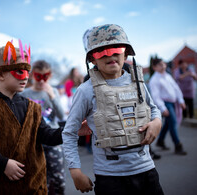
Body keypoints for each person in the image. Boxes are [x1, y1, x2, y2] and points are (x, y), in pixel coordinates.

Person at [0, 41, 89, 195]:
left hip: (34, 186)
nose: (25, 76)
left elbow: (47, 135)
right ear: (0, 74)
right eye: (19, 71)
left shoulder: (32, 107)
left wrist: (73, 130)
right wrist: (3, 164)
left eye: (27, 70)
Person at [62, 24, 164, 194]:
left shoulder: (138, 83)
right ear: (92, 59)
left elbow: (153, 109)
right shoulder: (86, 91)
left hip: (146, 170)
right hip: (110, 177)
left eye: (116, 48)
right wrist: (75, 171)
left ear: (126, 53)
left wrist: (157, 122)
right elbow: (69, 132)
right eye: (102, 51)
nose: (110, 55)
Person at [21, 60, 66, 195]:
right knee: (40, 180)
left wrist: (52, 95)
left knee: (59, 179)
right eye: (38, 76)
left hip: (53, 138)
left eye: (45, 76)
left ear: (49, 76)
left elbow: (61, 115)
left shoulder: (53, 92)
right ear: (32, 75)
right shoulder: (24, 94)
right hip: (34, 142)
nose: (41, 81)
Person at [149, 58, 187, 155]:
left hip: (173, 102)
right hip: (166, 104)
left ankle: (160, 141)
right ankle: (178, 145)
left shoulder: (167, 76)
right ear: (154, 67)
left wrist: (181, 100)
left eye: (163, 64)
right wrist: (163, 108)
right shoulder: (154, 80)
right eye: (160, 65)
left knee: (168, 123)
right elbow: (156, 96)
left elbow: (176, 88)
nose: (163, 66)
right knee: (173, 123)